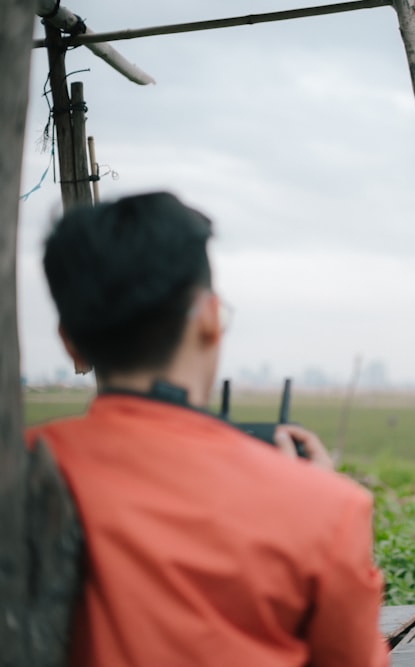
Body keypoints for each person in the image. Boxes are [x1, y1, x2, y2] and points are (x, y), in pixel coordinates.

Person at [24, 192, 389, 667]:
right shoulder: (328, 508)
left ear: (69, 342)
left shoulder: (23, 465)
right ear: (211, 319)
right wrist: (308, 494)